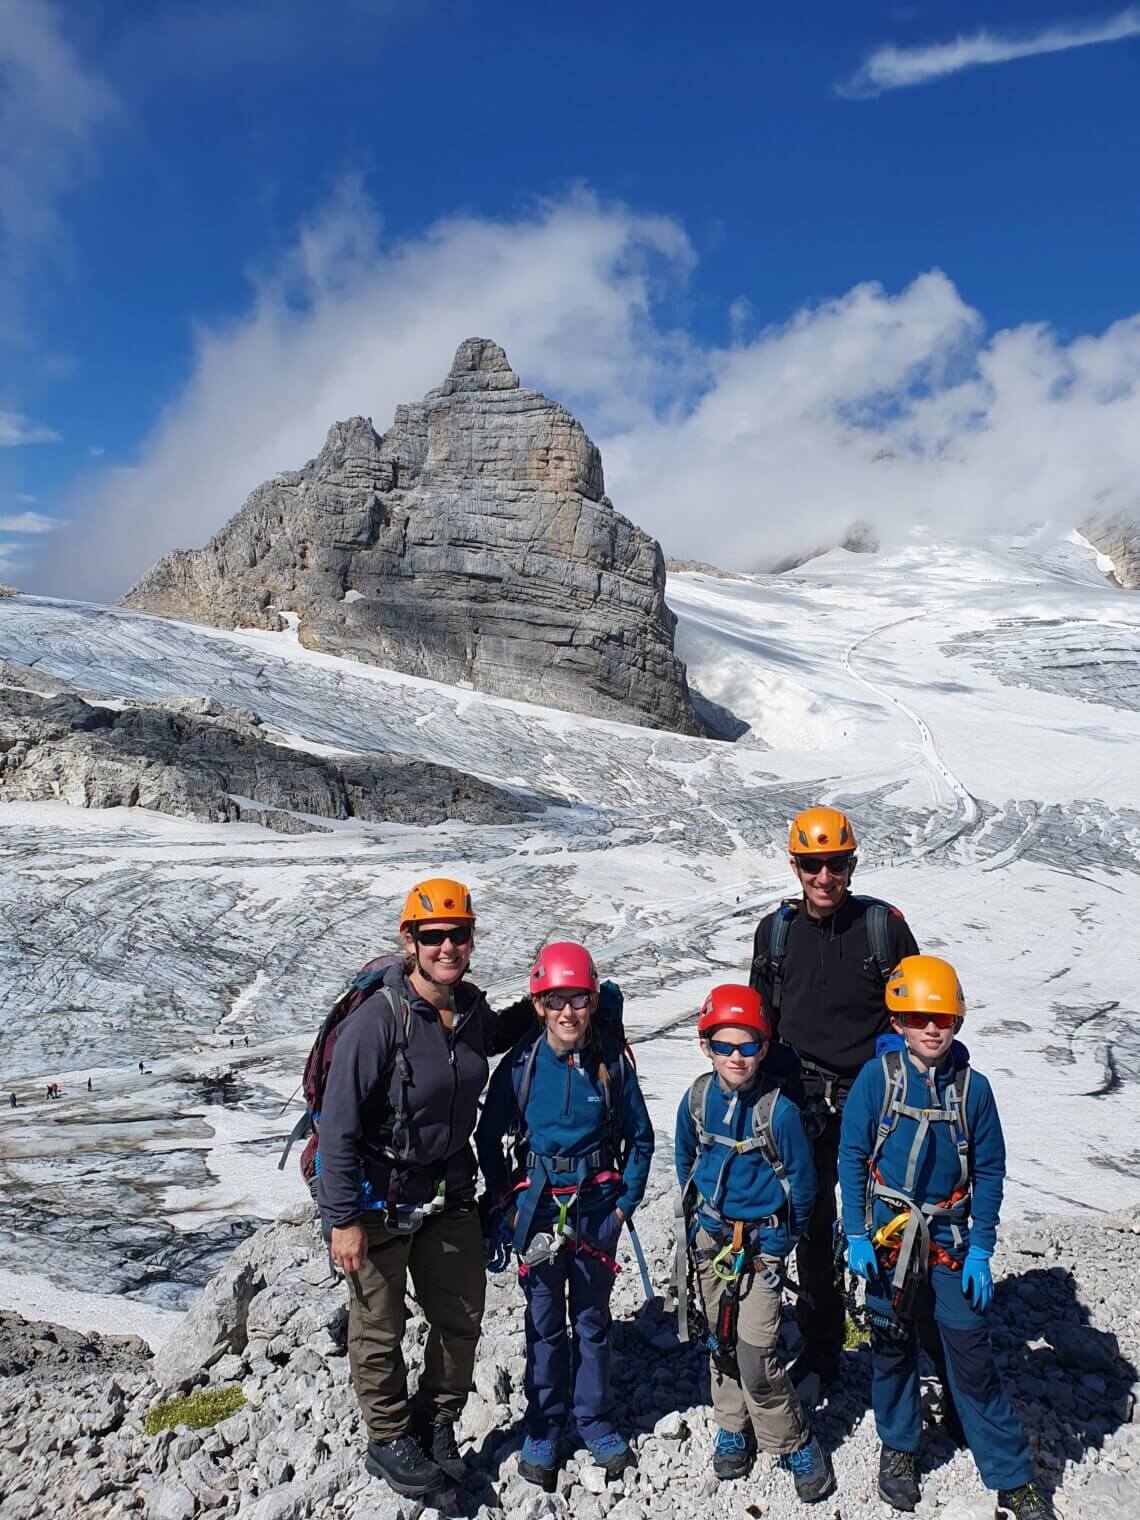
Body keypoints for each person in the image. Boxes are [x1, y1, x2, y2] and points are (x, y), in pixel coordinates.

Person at [316, 878, 534, 1498]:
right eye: (433, 935)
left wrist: (551, 1003)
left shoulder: (468, 1012)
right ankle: (387, 1438)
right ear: (408, 941)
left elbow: (493, 1037)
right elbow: (338, 1125)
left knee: (461, 1317)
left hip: (450, 1192)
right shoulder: (377, 1022)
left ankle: (434, 1420)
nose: (447, 946)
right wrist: (342, 1219)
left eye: (458, 934)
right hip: (378, 1199)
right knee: (378, 1326)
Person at [839, 956, 1054, 1520]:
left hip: (951, 1245)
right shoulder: (877, 1080)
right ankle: (900, 1448)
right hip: (889, 1240)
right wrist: (858, 1234)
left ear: (957, 1022)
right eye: (917, 1017)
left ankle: (1009, 1474)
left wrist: (982, 1248)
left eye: (943, 1019)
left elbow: (989, 1172)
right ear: (898, 1021)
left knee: (971, 1356)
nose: (932, 1029)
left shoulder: (973, 1091)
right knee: (891, 1347)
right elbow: (853, 1156)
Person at [749, 807, 919, 1388]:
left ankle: (896, 1340)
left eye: (837, 864)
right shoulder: (775, 933)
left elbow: (917, 1013)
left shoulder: (883, 928)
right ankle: (823, 1347)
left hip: (873, 1103)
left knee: (886, 1223)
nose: (825, 878)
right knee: (813, 1225)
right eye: (813, 865)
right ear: (795, 866)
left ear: (852, 863)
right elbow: (759, 1021)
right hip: (802, 1101)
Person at [475, 942, 654, 1491]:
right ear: (538, 1005)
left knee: (594, 1322)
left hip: (597, 1210)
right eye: (556, 1000)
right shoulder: (522, 1066)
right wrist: (505, 1201)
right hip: (537, 1212)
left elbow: (641, 1140)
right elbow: (486, 1135)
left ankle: (594, 1420)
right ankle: (546, 1424)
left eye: (578, 999)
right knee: (546, 1323)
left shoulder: (611, 1065)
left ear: (592, 999)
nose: (568, 1012)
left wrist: (624, 1207)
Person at [675, 984, 834, 1502]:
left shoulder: (779, 1112)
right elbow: (687, 1162)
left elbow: (804, 1188)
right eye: (725, 1046)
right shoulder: (697, 1101)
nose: (736, 1056)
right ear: (707, 1047)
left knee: (757, 1350)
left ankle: (792, 1438)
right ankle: (731, 1425)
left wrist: (778, 1242)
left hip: (762, 1250)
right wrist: (702, 1219)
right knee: (720, 1340)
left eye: (746, 1046)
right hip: (713, 1242)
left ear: (764, 1048)